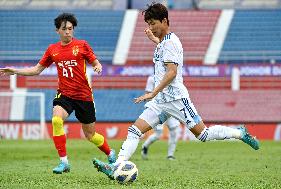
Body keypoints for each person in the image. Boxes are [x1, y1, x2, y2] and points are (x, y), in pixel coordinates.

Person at [92, 3, 259, 179]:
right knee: (135, 130)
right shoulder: (164, 42)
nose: (151, 27)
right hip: (161, 102)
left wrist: (153, 92)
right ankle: (117, 166)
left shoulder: (170, 43)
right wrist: (155, 41)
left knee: (203, 134)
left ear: (164, 21)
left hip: (176, 99)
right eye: (148, 24)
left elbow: (171, 72)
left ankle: (240, 133)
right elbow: (165, 54)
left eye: (153, 23)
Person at [0, 13, 116, 174]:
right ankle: (64, 162)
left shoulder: (82, 45)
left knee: (90, 135)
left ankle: (110, 153)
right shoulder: (52, 49)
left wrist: (97, 66)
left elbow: (95, 62)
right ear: (57, 31)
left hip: (84, 96)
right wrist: (16, 71)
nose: (68, 32)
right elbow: (37, 70)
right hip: (65, 95)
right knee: (56, 119)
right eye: (64, 29)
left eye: (70, 29)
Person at [141, 75, 180, 160]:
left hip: (170, 107)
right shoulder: (152, 78)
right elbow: (148, 93)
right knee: (158, 134)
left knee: (174, 130)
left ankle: (170, 155)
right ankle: (145, 146)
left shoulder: (172, 75)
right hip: (157, 109)